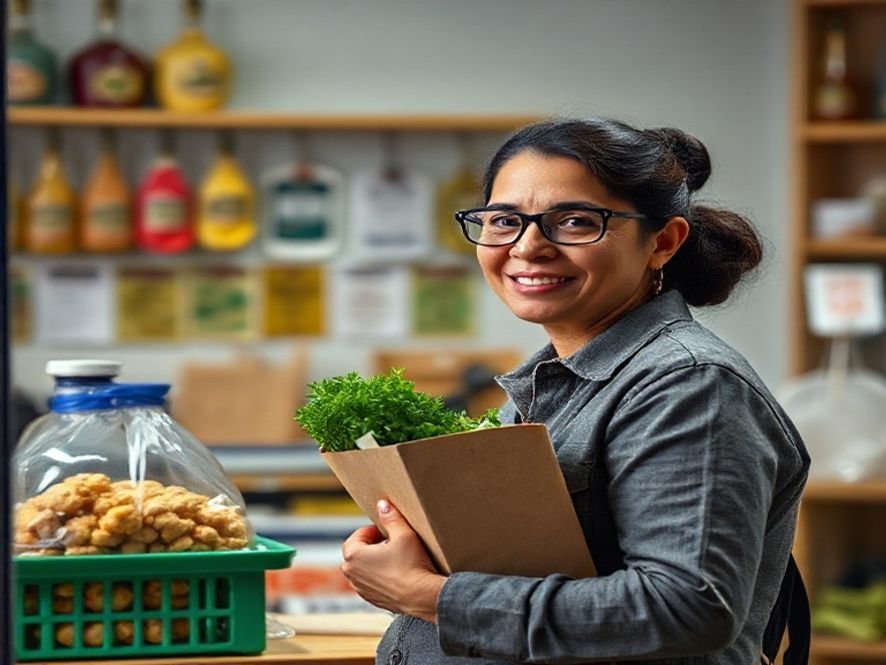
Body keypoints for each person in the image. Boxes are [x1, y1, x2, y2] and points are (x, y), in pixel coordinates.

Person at [340, 117, 811, 665]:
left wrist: (429, 596)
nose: (529, 246)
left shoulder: (688, 383)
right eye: (504, 220)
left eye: (576, 221)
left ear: (662, 242)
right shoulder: (552, 380)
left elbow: (686, 607)